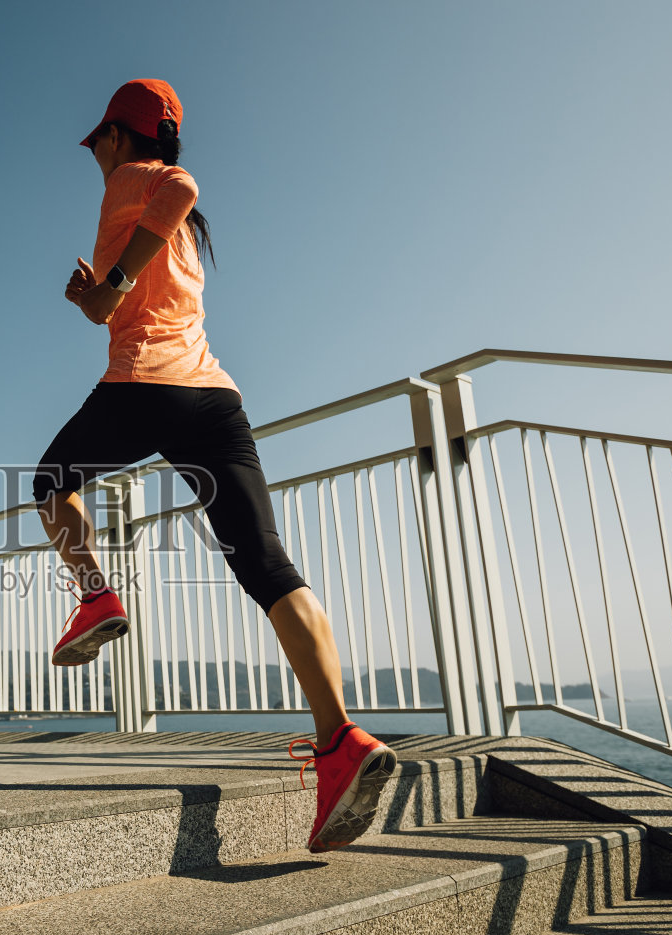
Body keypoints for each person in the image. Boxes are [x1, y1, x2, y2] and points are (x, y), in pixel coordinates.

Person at [29, 79, 397, 853]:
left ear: (120, 136)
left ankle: (95, 596)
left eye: (97, 139)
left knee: (50, 480)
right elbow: (136, 287)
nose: (94, 153)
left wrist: (108, 289)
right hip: (214, 399)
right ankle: (340, 740)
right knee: (267, 566)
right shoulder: (174, 227)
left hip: (146, 387)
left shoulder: (140, 180)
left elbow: (182, 184)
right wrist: (96, 299)